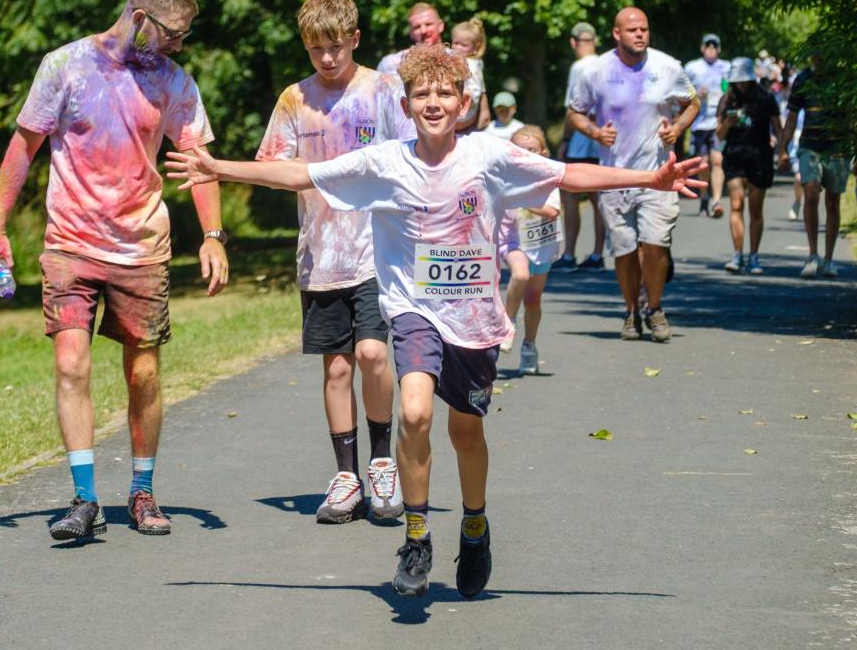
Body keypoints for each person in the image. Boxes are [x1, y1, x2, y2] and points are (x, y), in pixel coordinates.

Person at [165, 43, 705, 598]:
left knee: (465, 431)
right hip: (412, 308)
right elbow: (302, 174)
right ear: (405, 104)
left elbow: (568, 175)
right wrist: (218, 168)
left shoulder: (489, 156)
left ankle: (475, 527)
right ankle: (416, 538)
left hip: (471, 316)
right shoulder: (385, 162)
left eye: (445, 93)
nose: (433, 102)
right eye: (422, 93)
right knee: (416, 413)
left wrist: (649, 181)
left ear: (464, 101)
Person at [0, 0, 229, 541]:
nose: (178, 45)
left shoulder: (173, 81)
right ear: (140, 17)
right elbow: (24, 148)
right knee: (70, 363)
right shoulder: (63, 66)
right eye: (172, 34)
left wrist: (213, 234)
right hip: (69, 244)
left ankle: (141, 492)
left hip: (140, 247)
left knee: (142, 372)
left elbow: (198, 158)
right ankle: (83, 498)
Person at [256, 0, 412, 523]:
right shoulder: (294, 101)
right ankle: (346, 476)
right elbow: (274, 164)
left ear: (355, 40)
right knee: (338, 366)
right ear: (306, 45)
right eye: (316, 48)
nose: (327, 58)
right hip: (321, 254)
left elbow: (417, 155)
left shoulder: (385, 90)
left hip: (378, 250)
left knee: (372, 354)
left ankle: (383, 463)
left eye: (336, 47)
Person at [567, 7, 700, 343]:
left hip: (658, 174)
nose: (640, 34)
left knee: (655, 244)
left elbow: (692, 103)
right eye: (632, 30)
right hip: (615, 176)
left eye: (644, 29)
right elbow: (574, 112)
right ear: (616, 34)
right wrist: (596, 133)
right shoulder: (595, 71)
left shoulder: (667, 67)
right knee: (624, 250)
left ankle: (654, 308)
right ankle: (630, 311)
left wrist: (678, 128)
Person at [779, 52, 852, 278]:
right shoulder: (803, 79)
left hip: (837, 148)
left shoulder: (842, 79)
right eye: (815, 54)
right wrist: (783, 148)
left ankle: (829, 259)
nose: (818, 58)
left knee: (833, 201)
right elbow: (791, 117)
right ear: (811, 56)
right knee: (810, 193)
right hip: (809, 146)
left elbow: (851, 116)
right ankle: (813, 255)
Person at [498, 125, 561, 374]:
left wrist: (521, 197)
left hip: (540, 245)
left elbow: (552, 211)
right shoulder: (502, 177)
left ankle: (529, 346)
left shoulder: (548, 179)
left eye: (531, 150)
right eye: (519, 150)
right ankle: (507, 323)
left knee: (533, 300)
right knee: (520, 274)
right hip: (510, 243)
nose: (526, 155)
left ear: (543, 152)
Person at [716, 57, 782, 274]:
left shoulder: (766, 99)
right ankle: (737, 255)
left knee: (755, 210)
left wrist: (782, 151)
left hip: (760, 155)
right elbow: (719, 135)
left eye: (745, 81)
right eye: (738, 82)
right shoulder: (727, 100)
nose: (741, 85)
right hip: (735, 154)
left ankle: (754, 256)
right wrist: (728, 123)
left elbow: (777, 129)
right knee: (736, 204)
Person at [555, 21, 606, 272]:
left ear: (574, 42)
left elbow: (572, 109)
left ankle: (569, 254)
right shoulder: (607, 63)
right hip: (602, 140)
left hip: (580, 140)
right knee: (599, 198)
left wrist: (564, 140)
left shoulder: (579, 67)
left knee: (570, 195)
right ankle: (598, 253)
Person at [684, 33, 731, 218]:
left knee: (717, 160)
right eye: (708, 46)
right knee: (703, 164)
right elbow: (682, 91)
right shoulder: (692, 67)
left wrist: (726, 95)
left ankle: (716, 200)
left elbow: (730, 89)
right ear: (702, 48)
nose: (711, 49)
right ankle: (704, 197)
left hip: (718, 121)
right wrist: (696, 94)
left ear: (719, 49)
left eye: (715, 46)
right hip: (699, 123)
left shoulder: (726, 67)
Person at [376, 2, 444, 75]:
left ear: (440, 26)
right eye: (417, 27)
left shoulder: (456, 60)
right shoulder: (391, 65)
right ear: (410, 33)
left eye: (428, 24)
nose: (423, 31)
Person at [450, 18, 491, 132]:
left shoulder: (464, 63)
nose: (458, 48)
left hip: (461, 115)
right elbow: (481, 88)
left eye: (463, 45)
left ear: (476, 47)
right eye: (455, 43)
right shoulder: (478, 62)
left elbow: (473, 92)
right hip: (469, 115)